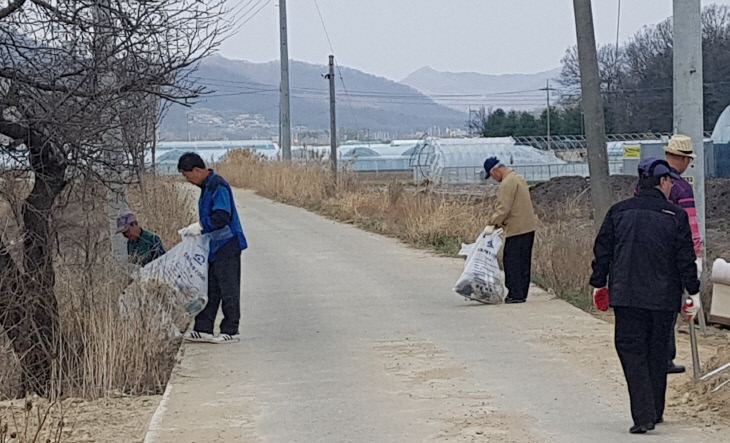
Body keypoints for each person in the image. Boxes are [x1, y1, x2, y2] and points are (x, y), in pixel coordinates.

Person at [590, 157, 700, 434]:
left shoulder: (618, 212)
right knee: (657, 351)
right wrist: (694, 292)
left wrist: (598, 284)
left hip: (626, 297)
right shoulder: (676, 216)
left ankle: (644, 415)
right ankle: (655, 410)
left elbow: (603, 251)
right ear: (662, 182)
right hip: (663, 299)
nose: (671, 186)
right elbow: (685, 258)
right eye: (670, 181)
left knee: (631, 351)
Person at [633, 134, 702, 375]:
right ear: (681, 159)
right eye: (688, 160)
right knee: (668, 309)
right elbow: (689, 225)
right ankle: (664, 358)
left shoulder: (644, 184)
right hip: (671, 257)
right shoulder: (682, 187)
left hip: (643, 253)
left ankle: (650, 354)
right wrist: (696, 255)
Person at [177, 152, 248, 344]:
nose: (187, 179)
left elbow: (222, 215)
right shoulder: (205, 187)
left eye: (186, 174)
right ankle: (203, 328)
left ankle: (231, 330)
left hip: (228, 242)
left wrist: (201, 226)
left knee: (228, 287)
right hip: (214, 245)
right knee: (210, 287)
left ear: (198, 170)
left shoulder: (218, 185)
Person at [483, 157, 537, 304]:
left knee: (512, 262)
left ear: (495, 170)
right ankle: (521, 293)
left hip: (517, 228)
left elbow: (503, 208)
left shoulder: (507, 183)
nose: (493, 179)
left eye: (492, 175)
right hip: (528, 227)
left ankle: (515, 293)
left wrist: (492, 223)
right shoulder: (518, 178)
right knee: (523, 262)